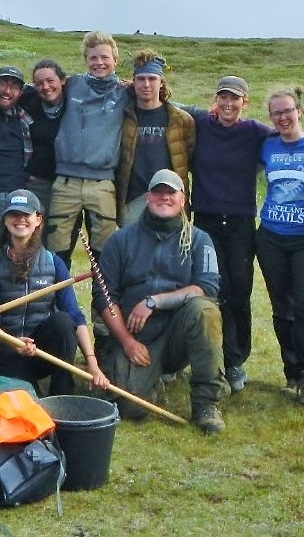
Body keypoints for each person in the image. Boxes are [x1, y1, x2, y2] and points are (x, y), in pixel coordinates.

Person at [93, 169, 226, 434]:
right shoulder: (120, 240)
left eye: (171, 193)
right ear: (148, 198)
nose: (164, 197)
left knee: (205, 311)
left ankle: (206, 403)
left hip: (179, 334)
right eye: (158, 192)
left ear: (183, 200)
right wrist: (127, 341)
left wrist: (154, 301)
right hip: (138, 339)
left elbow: (207, 287)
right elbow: (104, 297)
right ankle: (151, 382)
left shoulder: (200, 240)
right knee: (130, 408)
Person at [0, 189, 109, 395]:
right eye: (14, 214)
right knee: (29, 400)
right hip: (5, 351)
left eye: (26, 214)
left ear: (38, 219)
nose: (20, 219)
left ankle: (62, 394)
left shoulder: (54, 263)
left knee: (63, 322)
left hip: (42, 353)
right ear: (5, 220)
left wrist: (92, 364)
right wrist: (14, 343)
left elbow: (75, 316)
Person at [188, 76, 273, 393]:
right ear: (215, 99)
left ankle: (236, 360)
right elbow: (167, 105)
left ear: (244, 102)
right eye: (223, 97)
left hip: (239, 222)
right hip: (206, 220)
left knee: (239, 290)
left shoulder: (254, 131)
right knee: (211, 288)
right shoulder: (201, 124)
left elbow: (292, 133)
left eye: (234, 98)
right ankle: (212, 357)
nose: (228, 104)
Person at [256, 87, 304, 408]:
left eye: (288, 111)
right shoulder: (266, 145)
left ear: (299, 112)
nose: (283, 117)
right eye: (276, 113)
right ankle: (291, 373)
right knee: (281, 309)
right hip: (270, 237)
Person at [47, 31, 130, 269]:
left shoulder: (125, 92)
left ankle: (101, 296)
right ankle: (59, 294)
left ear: (115, 60)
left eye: (105, 57)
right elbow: (42, 89)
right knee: (56, 252)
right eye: (93, 58)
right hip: (66, 183)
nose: (99, 63)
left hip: (102, 184)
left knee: (105, 255)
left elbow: (160, 102)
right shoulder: (72, 85)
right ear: (86, 60)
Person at [116, 50, 195, 226]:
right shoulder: (123, 117)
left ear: (161, 83)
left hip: (169, 199)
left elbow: (190, 161)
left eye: (152, 79)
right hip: (133, 201)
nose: (146, 84)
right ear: (133, 82)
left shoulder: (181, 120)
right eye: (141, 79)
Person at [0, 66, 34, 237]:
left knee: (18, 244)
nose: (7, 91)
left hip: (18, 194)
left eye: (14, 87)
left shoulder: (24, 119)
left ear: (21, 92)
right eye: (3, 84)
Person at [18, 59, 68, 219]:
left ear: (62, 80)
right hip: (37, 182)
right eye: (39, 83)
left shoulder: (74, 100)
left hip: (68, 183)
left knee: (63, 231)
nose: (45, 87)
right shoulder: (28, 100)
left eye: (50, 81)